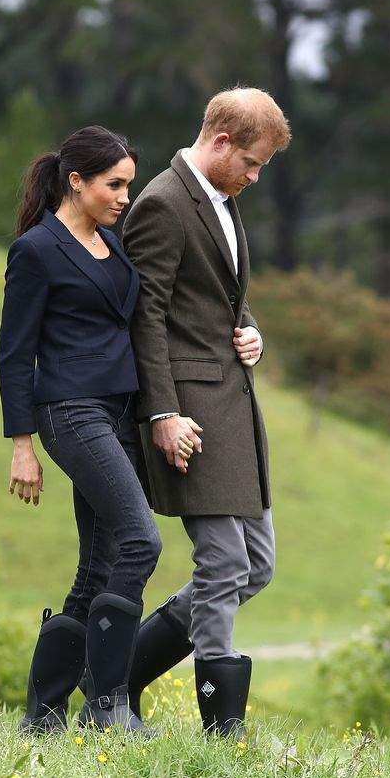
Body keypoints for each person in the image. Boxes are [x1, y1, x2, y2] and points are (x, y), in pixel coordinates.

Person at [121, 88, 291, 738]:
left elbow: (216, 298)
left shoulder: (221, 201)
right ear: (219, 142)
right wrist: (161, 412)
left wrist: (249, 331)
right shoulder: (163, 203)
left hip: (232, 409)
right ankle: (223, 733)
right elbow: (147, 315)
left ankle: (114, 674)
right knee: (222, 565)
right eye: (250, 163)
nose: (253, 176)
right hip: (190, 416)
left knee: (257, 566)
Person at [0, 126, 174, 736]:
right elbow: (14, 353)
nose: (126, 195)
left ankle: (43, 714)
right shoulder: (37, 250)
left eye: (129, 183)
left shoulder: (109, 241)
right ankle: (106, 705)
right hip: (69, 411)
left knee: (100, 565)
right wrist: (22, 445)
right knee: (140, 542)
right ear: (76, 181)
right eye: (114, 184)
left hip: (118, 411)